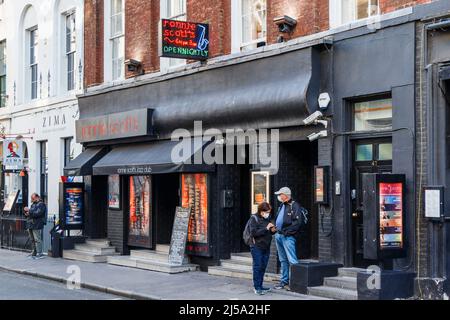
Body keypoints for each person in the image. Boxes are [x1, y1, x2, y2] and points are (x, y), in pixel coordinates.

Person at [273, 187, 305, 290]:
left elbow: (297, 223)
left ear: (285, 195)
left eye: (280, 194)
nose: (278, 196)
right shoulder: (282, 205)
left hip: (287, 237)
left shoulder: (294, 205)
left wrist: (286, 232)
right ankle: (284, 281)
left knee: (292, 260)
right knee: (283, 260)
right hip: (278, 235)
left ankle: (295, 283)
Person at [248, 202, 277, 295]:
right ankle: (257, 287)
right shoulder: (254, 218)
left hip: (266, 246)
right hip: (256, 247)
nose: (268, 213)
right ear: (261, 211)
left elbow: (269, 232)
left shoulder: (267, 218)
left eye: (269, 212)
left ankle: (260, 286)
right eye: (267, 212)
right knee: (258, 266)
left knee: (263, 266)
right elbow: (254, 233)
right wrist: (266, 228)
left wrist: (273, 231)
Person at [24, 193, 47, 259]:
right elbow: (31, 213)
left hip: (36, 224)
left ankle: (39, 253)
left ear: (37, 197)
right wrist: (26, 213)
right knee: (32, 239)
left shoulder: (41, 204)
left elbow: (38, 213)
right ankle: (34, 252)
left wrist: (29, 211)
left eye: (33, 198)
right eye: (31, 198)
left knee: (37, 239)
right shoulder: (33, 204)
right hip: (31, 223)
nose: (32, 200)